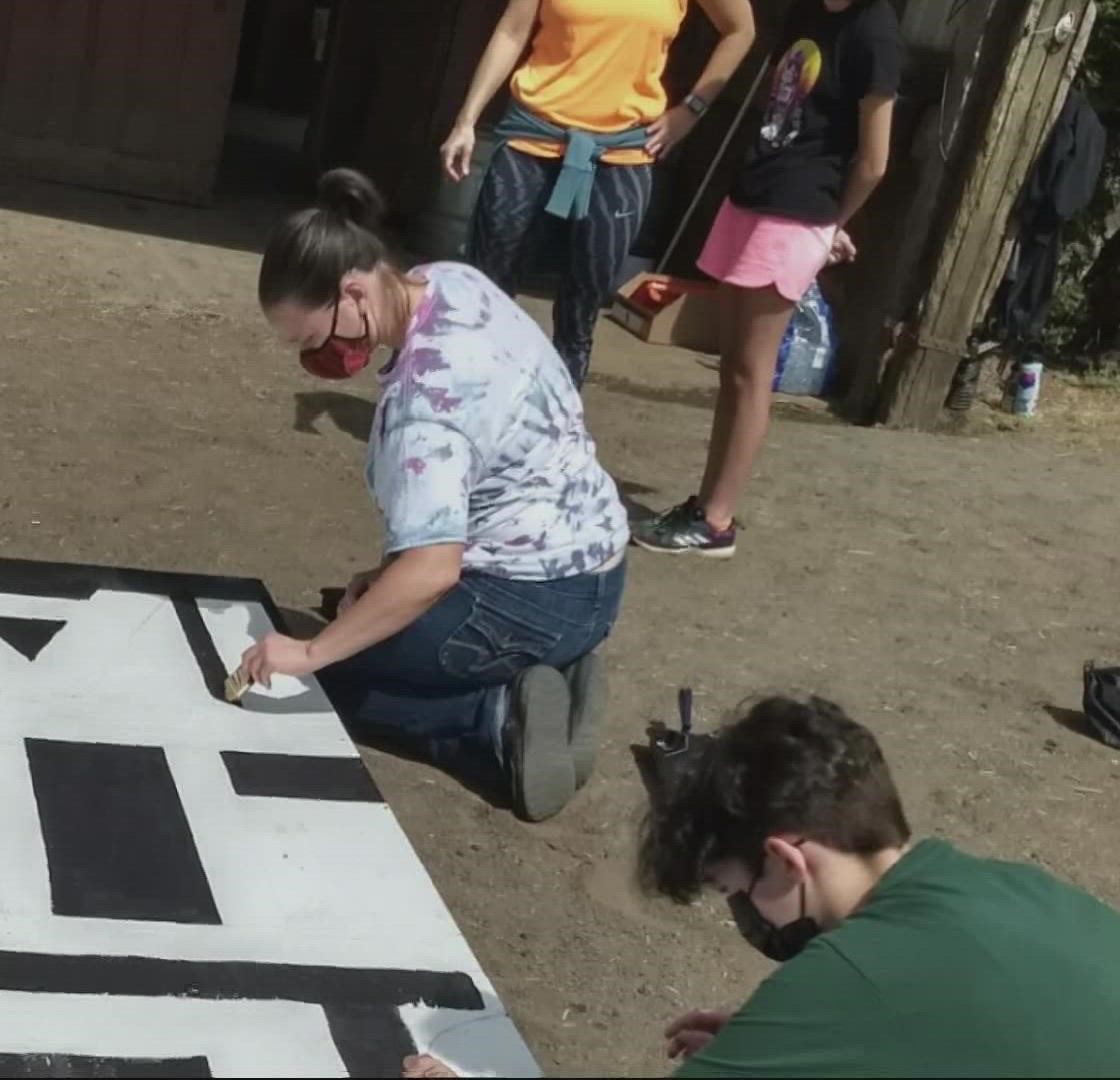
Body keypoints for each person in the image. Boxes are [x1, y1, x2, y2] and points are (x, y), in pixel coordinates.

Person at [239, 169, 628, 824]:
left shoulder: (425, 409)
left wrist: (308, 655)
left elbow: (433, 568)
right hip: (597, 569)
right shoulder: (452, 280)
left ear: (353, 292)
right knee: (355, 609)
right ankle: (549, 671)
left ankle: (495, 724)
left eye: (311, 339)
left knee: (326, 680)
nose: (314, 358)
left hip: (527, 598)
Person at [629, 695, 1120, 1076]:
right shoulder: (1018, 887)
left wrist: (790, 1033)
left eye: (732, 889)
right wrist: (786, 1049)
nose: (745, 910)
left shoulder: (845, 978)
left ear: (785, 859)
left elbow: (870, 995)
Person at [633, 0, 900, 557]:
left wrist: (831, 225)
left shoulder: (874, 31)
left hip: (797, 214)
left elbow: (874, 162)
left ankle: (716, 521)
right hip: (753, 196)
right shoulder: (807, 15)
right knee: (733, 366)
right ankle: (706, 503)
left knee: (752, 373)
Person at [439, 0, 755, 385]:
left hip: (622, 153)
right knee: (487, 293)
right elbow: (511, 30)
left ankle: (553, 431)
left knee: (580, 315)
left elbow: (741, 30)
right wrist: (466, 120)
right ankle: (470, 412)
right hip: (533, 139)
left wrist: (691, 110)